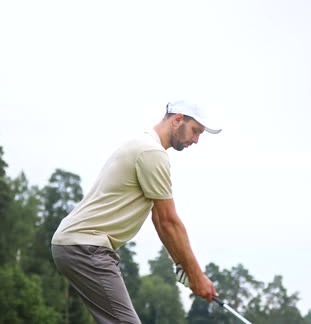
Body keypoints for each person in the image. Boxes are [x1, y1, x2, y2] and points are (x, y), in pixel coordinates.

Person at [51, 100, 221, 323]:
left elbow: (160, 220)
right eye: (195, 131)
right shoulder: (152, 152)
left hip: (78, 246)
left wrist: (184, 265)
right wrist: (197, 276)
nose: (196, 140)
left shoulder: (144, 143)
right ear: (178, 119)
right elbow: (169, 221)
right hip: (86, 247)